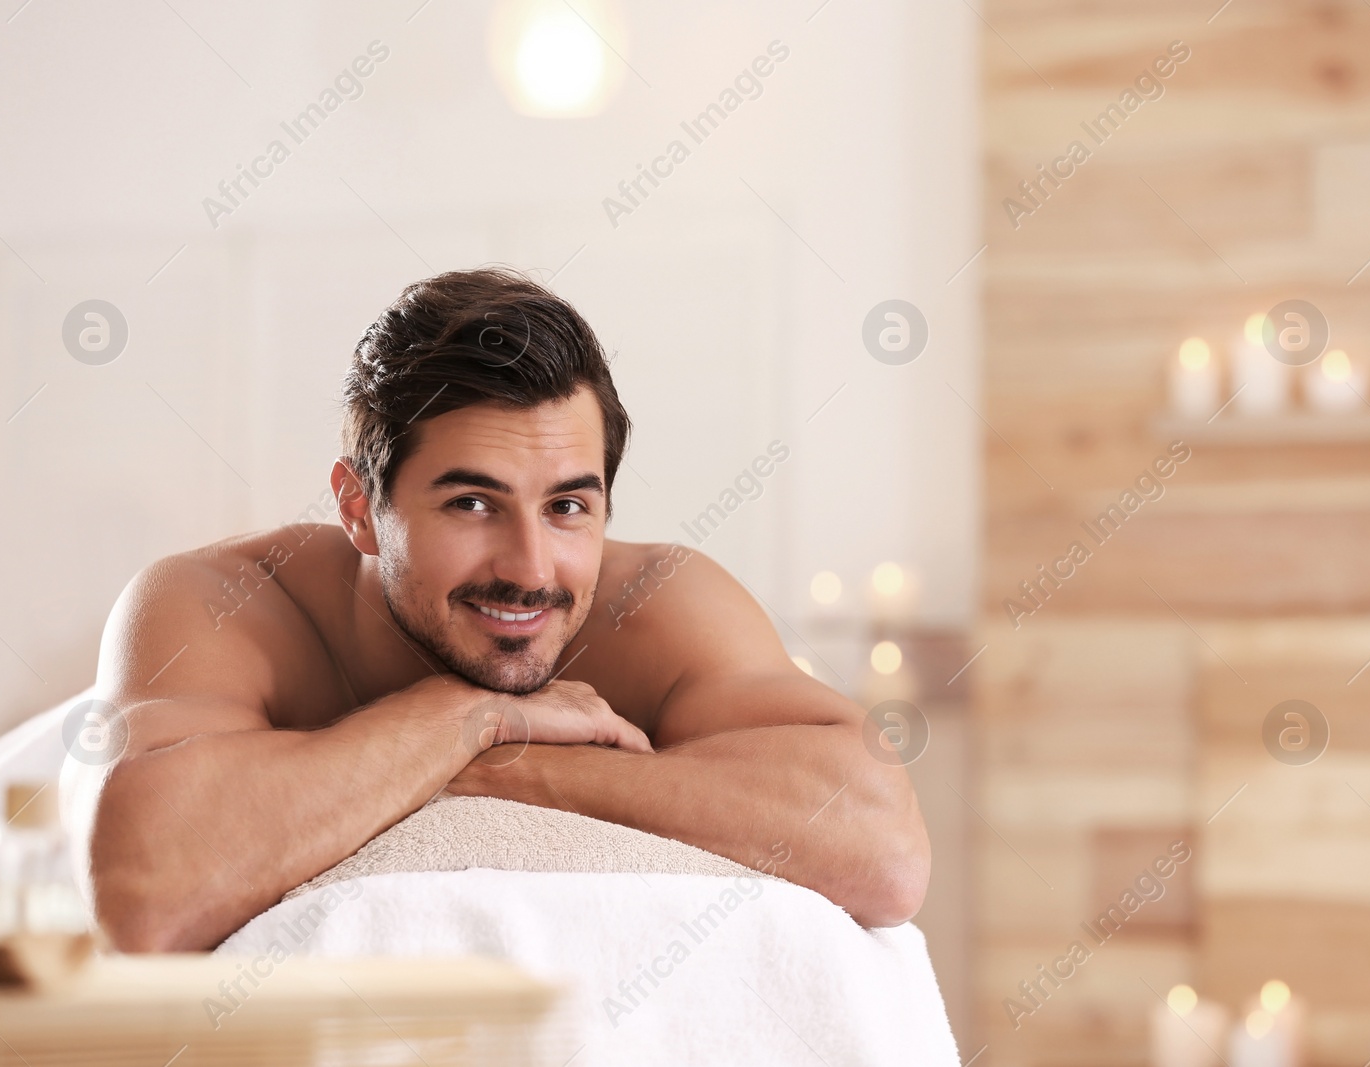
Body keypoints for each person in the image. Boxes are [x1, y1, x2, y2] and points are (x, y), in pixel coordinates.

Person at [73, 267, 930, 952]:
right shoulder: (221, 603)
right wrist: (462, 714)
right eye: (473, 504)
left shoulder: (662, 607)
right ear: (360, 508)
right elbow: (147, 892)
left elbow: (884, 852)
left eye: (567, 507)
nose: (530, 569)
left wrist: (497, 756)